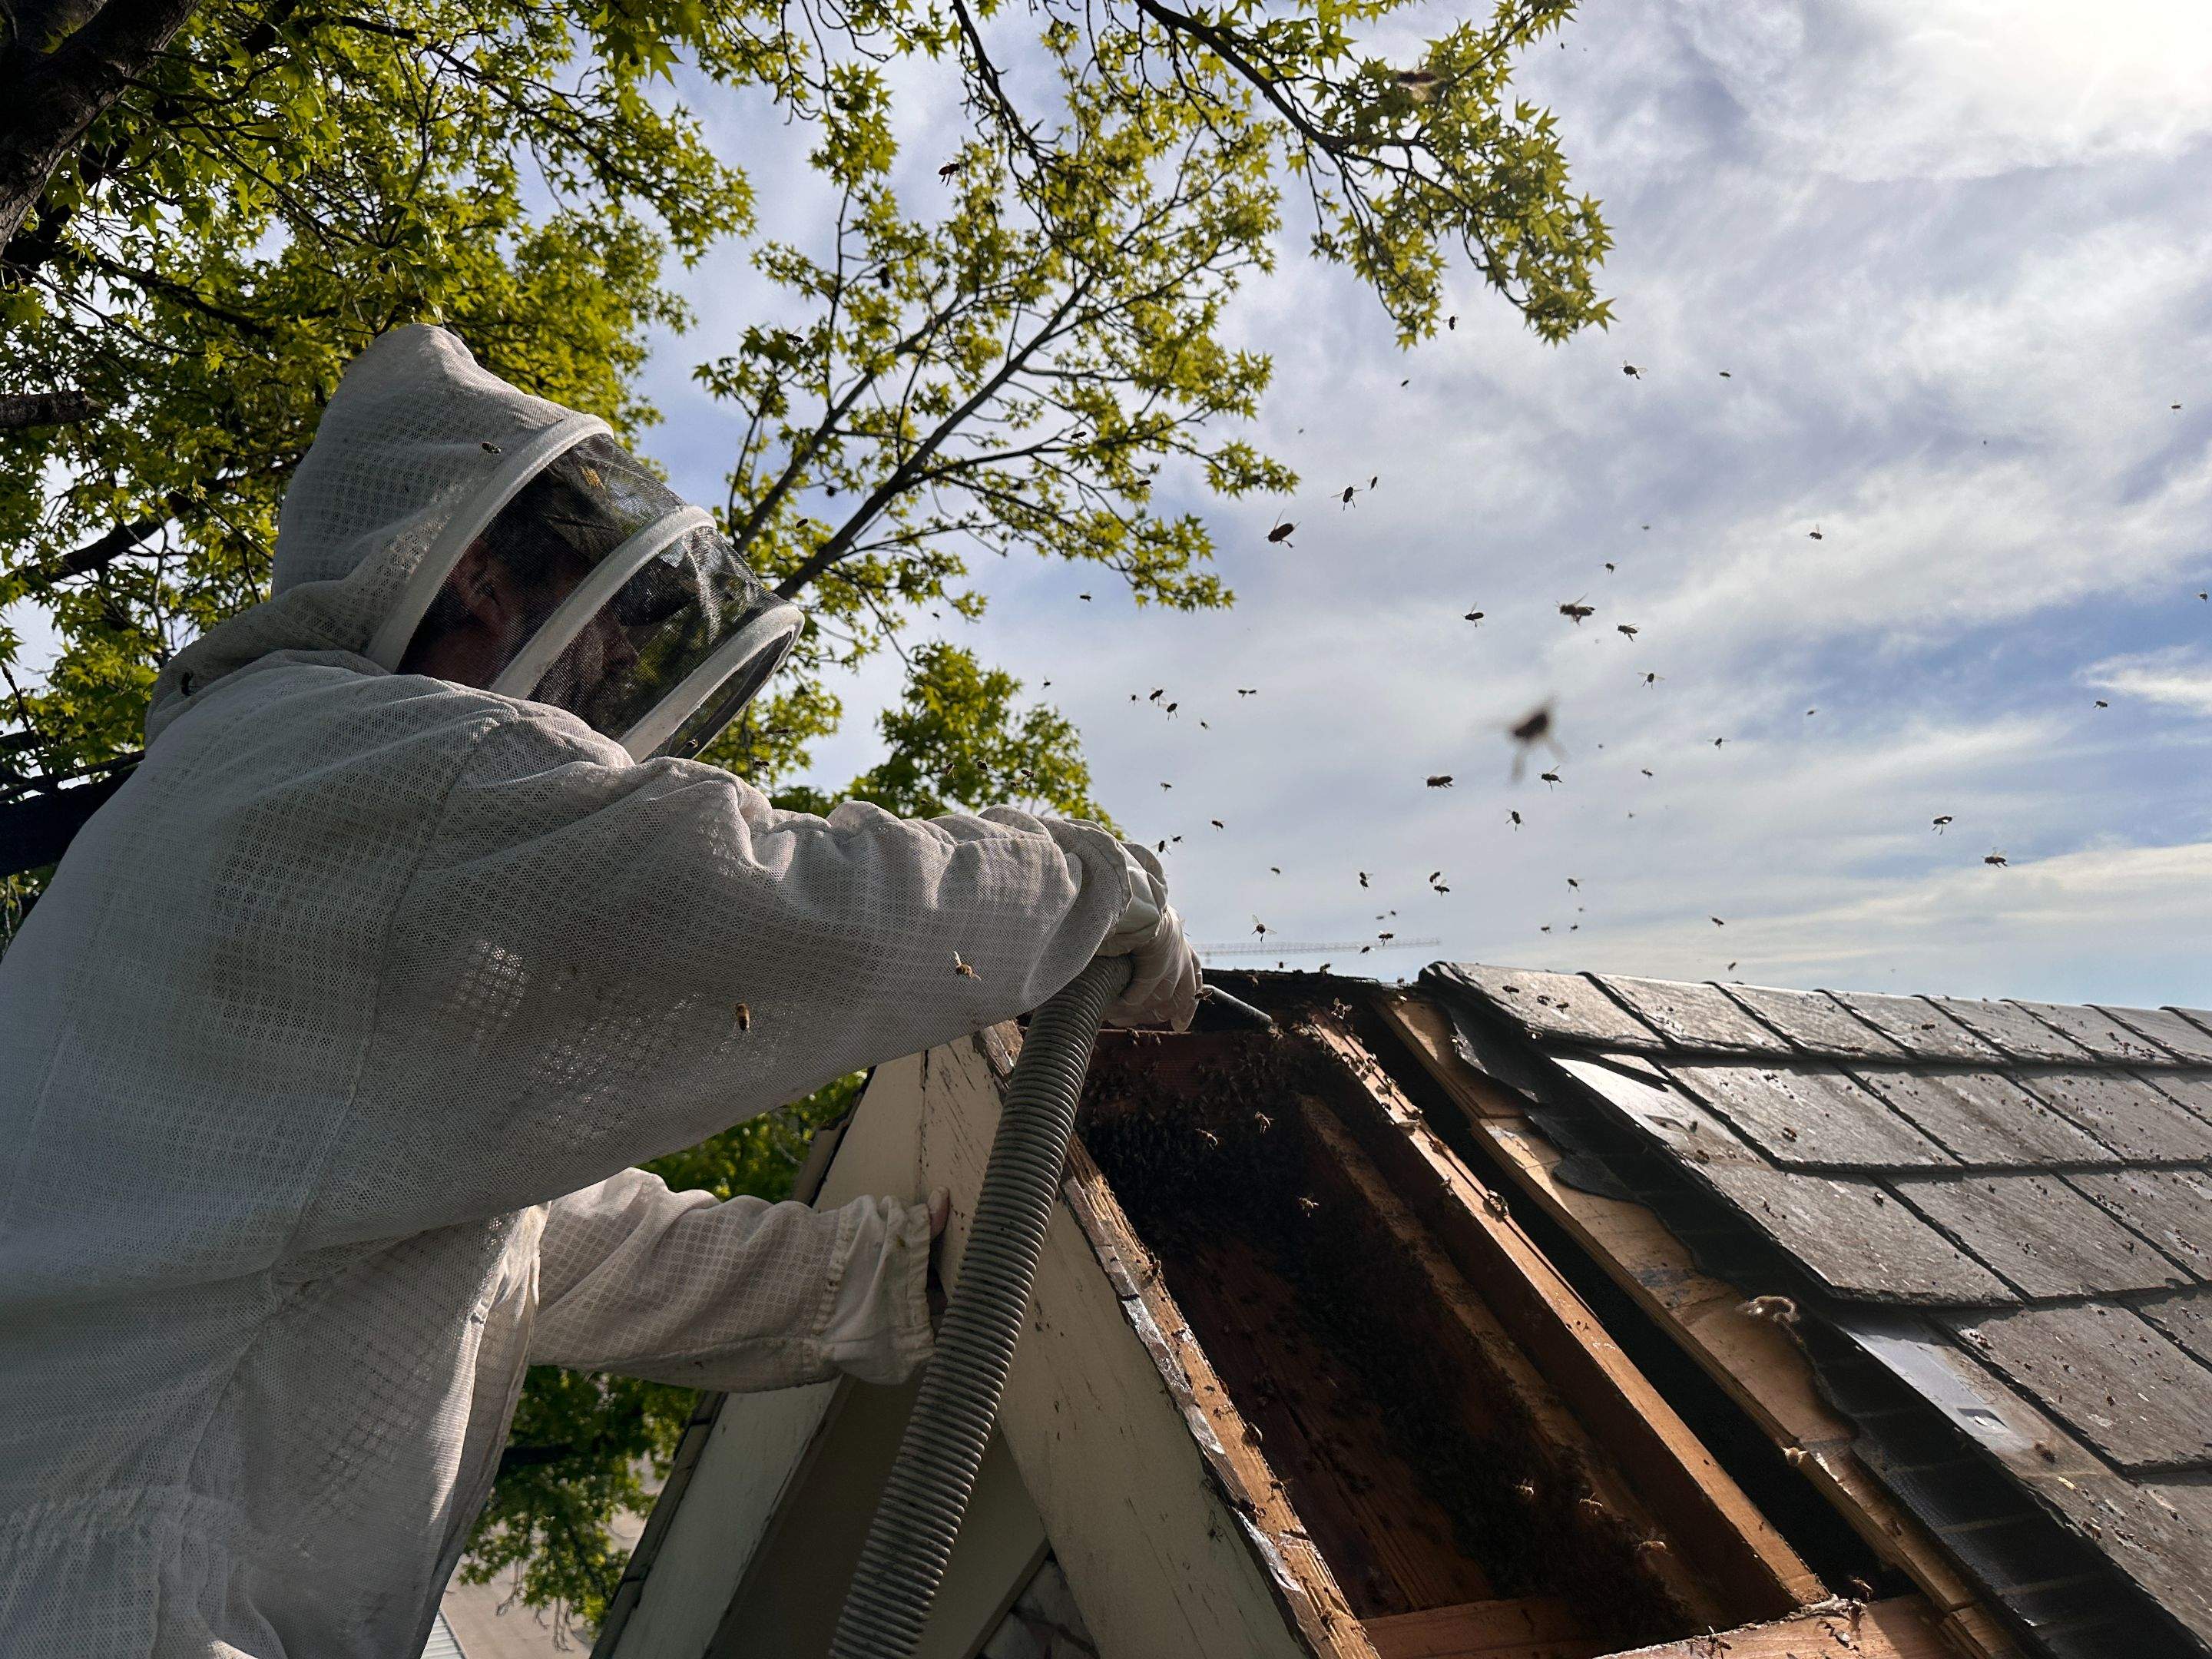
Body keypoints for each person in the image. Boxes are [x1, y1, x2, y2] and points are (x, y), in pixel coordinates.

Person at [0, 323, 1198, 1658]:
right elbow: (763, 895)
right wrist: (1095, 886)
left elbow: (538, 1250)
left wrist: (872, 1280)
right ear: (480, 581)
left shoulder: (271, 828)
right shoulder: (354, 761)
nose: (602, 698)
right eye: (601, 646)